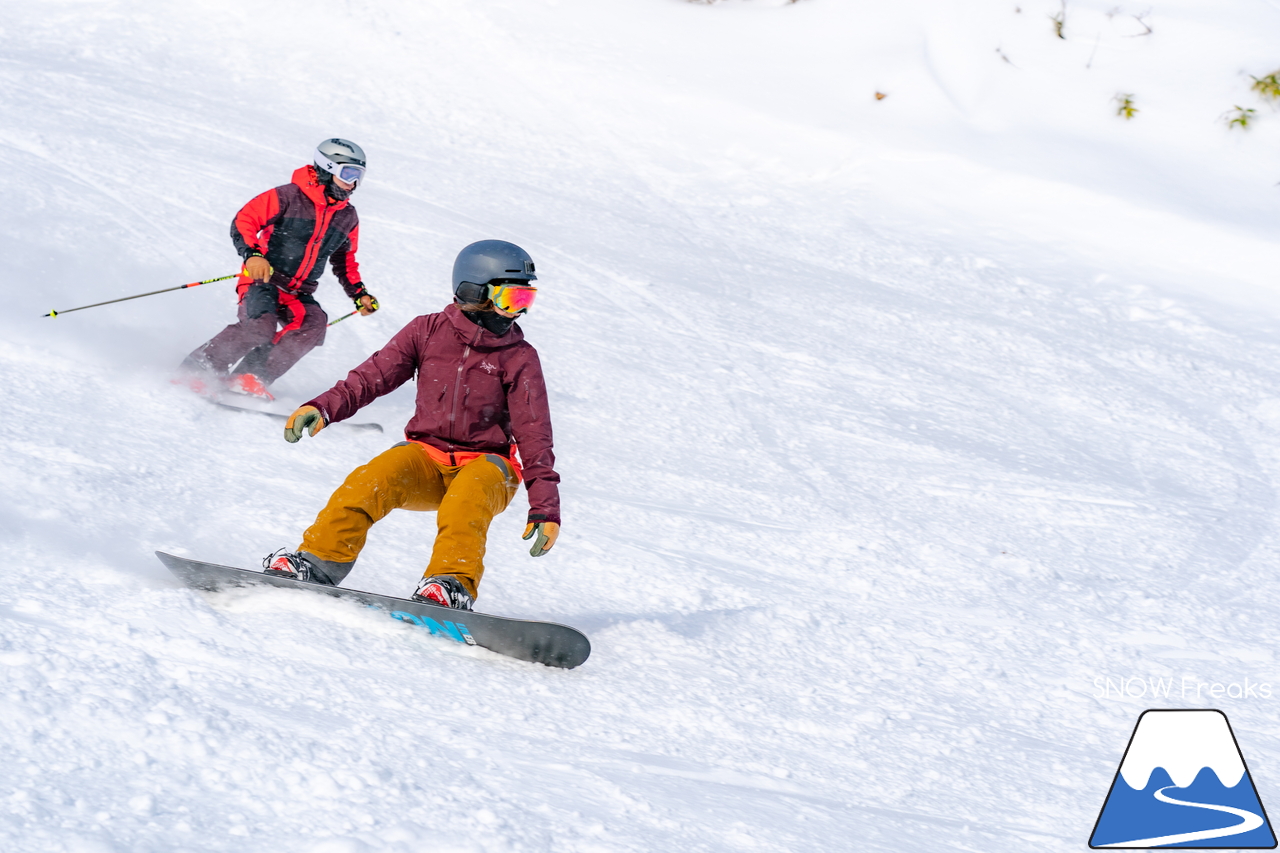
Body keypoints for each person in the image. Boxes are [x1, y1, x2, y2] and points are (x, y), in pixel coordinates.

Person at [260, 240, 560, 611]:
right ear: (474, 291)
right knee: (370, 481)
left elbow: (535, 433)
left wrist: (545, 508)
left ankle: (451, 584)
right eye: (511, 299)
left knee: (467, 499)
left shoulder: (519, 357)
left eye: (525, 301)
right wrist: (322, 408)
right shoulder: (427, 332)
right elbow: (371, 378)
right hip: (426, 458)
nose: (518, 313)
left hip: (491, 467)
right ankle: (321, 560)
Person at [178, 138, 379, 400]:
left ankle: (250, 376)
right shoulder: (288, 196)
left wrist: (358, 293)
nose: (353, 183)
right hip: (263, 280)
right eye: (348, 173)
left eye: (358, 176)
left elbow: (345, 260)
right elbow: (245, 220)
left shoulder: (347, 216)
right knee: (260, 326)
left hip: (298, 291)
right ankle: (198, 370)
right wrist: (252, 256)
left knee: (313, 323)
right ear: (328, 169)